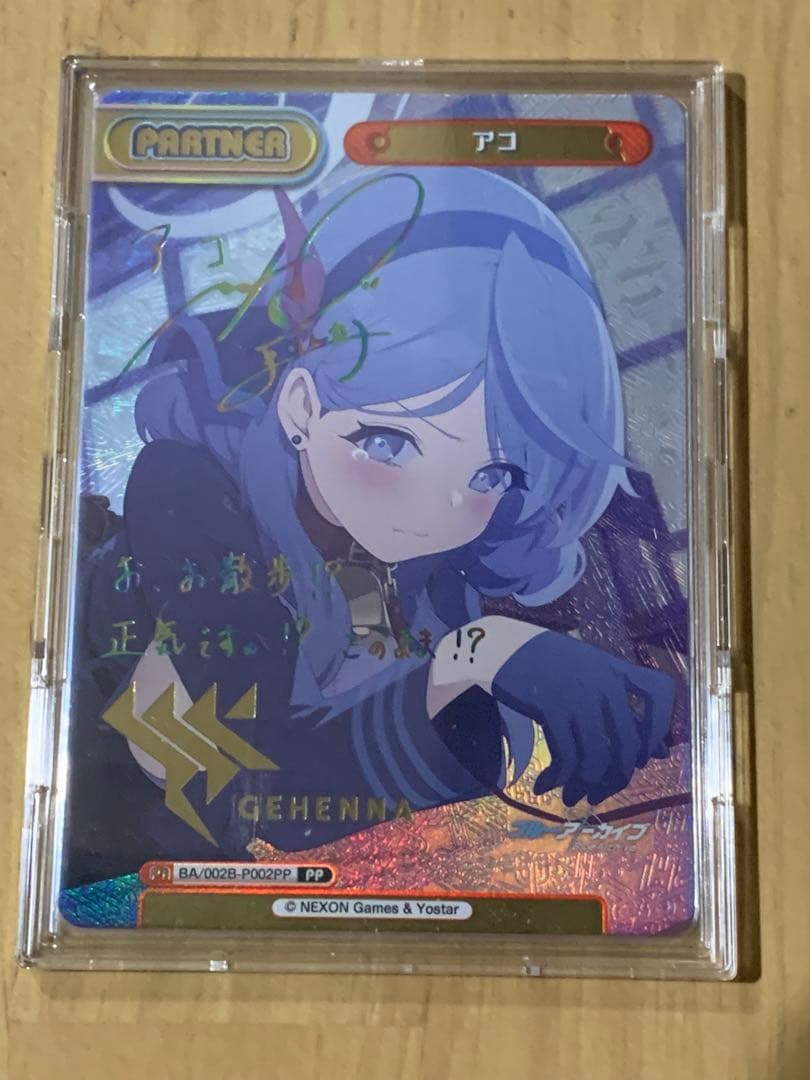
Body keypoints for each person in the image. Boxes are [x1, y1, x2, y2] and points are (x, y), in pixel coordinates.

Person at [74, 166, 673, 867]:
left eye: (491, 475)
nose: (436, 508)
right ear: (301, 405)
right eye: (388, 442)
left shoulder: (407, 556)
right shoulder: (188, 497)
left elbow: (440, 776)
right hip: (121, 876)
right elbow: (244, 792)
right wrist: (476, 657)